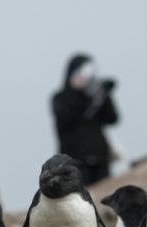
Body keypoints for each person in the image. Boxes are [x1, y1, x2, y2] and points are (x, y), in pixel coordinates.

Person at [51, 53, 119, 185]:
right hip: (74, 162)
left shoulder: (95, 96)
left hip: (100, 159)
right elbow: (67, 119)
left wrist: (104, 95)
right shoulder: (60, 98)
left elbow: (112, 119)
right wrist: (76, 91)